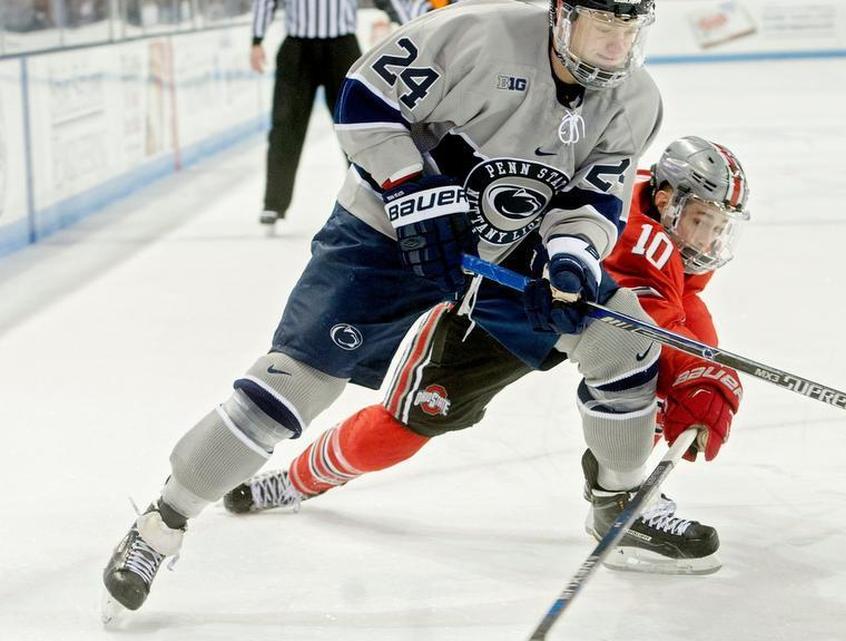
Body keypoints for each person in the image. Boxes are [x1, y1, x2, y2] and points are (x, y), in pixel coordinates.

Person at [101, 0, 663, 618]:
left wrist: (571, 255)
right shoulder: (475, 33)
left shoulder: (635, 98)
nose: (616, 45)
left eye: (629, 28)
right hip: (387, 233)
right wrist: (412, 190)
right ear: (562, 15)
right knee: (295, 384)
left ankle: (619, 501)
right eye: (603, 24)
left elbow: (593, 199)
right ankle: (163, 522)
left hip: (509, 246)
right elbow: (366, 98)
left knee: (623, 338)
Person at [224, 136, 751, 575]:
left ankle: (622, 501)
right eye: (701, 219)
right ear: (664, 197)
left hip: (580, 316)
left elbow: (682, 302)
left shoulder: (661, 220)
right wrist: (702, 373)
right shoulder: (641, 239)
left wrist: (706, 371)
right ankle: (292, 482)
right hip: (501, 315)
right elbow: (657, 317)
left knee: (641, 378)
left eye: (718, 225)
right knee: (403, 428)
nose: (708, 239)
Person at [251, 0, 369, 232]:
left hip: (342, 46)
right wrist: (257, 39)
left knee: (355, 126)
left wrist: (408, 22)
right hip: (298, 49)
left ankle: (368, 199)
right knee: (285, 125)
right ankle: (274, 203)